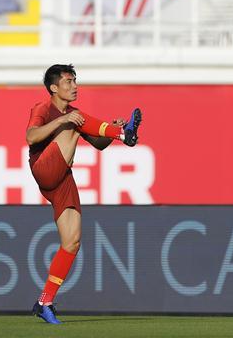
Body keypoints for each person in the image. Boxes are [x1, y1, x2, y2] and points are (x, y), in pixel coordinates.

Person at [26, 64, 143, 324]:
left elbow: (98, 143)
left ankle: (45, 301)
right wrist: (62, 120)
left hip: (62, 178)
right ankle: (125, 134)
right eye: (68, 81)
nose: (74, 86)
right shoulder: (43, 109)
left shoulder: (74, 116)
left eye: (75, 81)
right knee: (73, 122)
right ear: (54, 87)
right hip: (44, 168)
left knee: (72, 242)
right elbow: (31, 136)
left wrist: (109, 131)